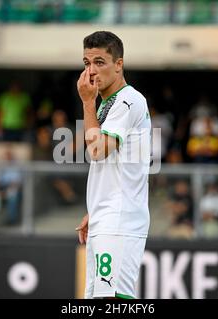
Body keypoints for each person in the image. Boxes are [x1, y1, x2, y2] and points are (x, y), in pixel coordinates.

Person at [75, 31, 151, 299]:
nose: (91, 71)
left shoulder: (129, 101)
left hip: (119, 220)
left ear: (119, 64)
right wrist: (95, 210)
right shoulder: (108, 104)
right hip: (106, 218)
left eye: (99, 62)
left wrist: (86, 102)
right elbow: (112, 164)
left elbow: (96, 151)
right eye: (86, 63)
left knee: (112, 300)